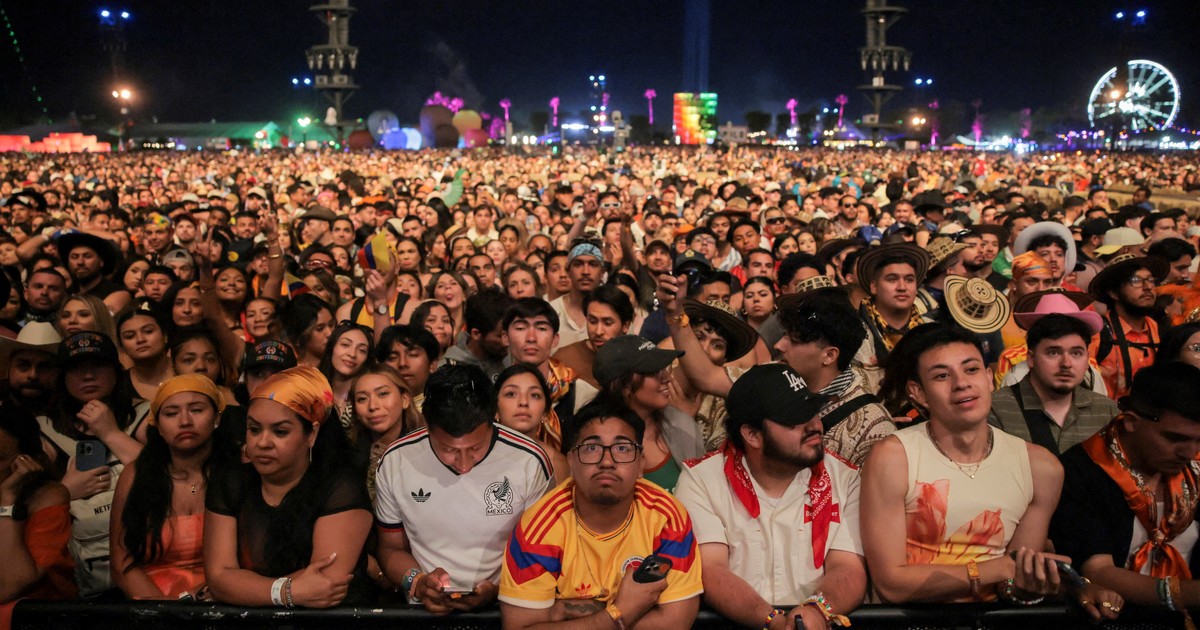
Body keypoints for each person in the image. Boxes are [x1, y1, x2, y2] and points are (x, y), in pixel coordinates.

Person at [860, 324, 1069, 604]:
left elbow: (1011, 584)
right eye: (942, 375)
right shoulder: (893, 457)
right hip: (910, 621)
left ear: (989, 378)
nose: (962, 383)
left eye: (971, 370)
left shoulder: (1040, 468)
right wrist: (996, 569)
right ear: (918, 393)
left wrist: (1033, 583)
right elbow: (891, 584)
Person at [676, 363, 866, 630]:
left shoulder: (845, 478)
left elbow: (849, 569)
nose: (814, 425)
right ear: (752, 435)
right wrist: (772, 621)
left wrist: (817, 611)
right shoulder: (702, 480)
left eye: (813, 411)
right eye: (794, 418)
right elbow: (711, 571)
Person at [498, 398, 702, 630]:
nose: (607, 462)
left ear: (641, 464)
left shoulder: (667, 518)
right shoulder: (538, 526)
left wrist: (561, 611)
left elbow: (675, 622)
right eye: (591, 448)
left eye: (622, 448)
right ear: (571, 462)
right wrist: (620, 612)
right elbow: (519, 627)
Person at [375, 364, 551, 614]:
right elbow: (390, 548)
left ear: (492, 420)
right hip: (423, 612)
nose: (464, 464)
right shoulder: (397, 461)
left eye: (476, 448)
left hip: (509, 611)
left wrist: (498, 590)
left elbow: (544, 554)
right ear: (428, 427)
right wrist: (418, 582)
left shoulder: (529, 461)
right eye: (449, 450)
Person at [204, 365, 374, 608]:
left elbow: (323, 585)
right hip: (245, 622)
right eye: (254, 429)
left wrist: (243, 588)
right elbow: (219, 579)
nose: (263, 442)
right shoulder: (231, 481)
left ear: (311, 434)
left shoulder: (340, 489)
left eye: (280, 431)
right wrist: (285, 592)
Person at [1049, 361, 1200, 625]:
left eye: (1199, 440)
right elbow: (1099, 572)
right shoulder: (1080, 471)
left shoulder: (1194, 472)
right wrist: (1185, 594)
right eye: (1175, 438)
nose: (1189, 452)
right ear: (1131, 422)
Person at [42, 332, 150, 597]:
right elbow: (25, 511)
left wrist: (111, 433)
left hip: (147, 563)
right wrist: (65, 491)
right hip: (79, 575)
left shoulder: (147, 415)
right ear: (62, 377)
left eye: (98, 366)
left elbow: (171, 477)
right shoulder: (44, 430)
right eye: (77, 368)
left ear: (116, 371)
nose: (88, 376)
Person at [110, 374, 235, 600]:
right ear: (157, 425)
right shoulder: (136, 475)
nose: (185, 421)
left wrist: (209, 596)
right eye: (171, 413)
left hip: (223, 599)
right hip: (151, 604)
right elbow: (122, 564)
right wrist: (164, 610)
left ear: (217, 418)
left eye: (196, 410)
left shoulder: (239, 471)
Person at [989, 313, 1118, 455]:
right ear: (1031, 358)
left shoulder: (1106, 411)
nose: (1066, 363)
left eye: (1076, 353)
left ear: (1087, 359)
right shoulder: (997, 409)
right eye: (1053, 353)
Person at [593, 335, 703, 491]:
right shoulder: (592, 439)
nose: (667, 378)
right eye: (653, 371)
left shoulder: (682, 425)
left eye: (665, 368)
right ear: (624, 385)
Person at [0, 401, 74, 627]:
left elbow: (11, 585)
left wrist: (7, 501)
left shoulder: (48, 496)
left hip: (35, 616)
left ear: (25, 461)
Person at [853, 243, 932, 392]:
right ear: (874, 287)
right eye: (892, 279)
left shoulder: (932, 330)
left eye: (909, 280)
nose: (902, 287)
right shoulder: (853, 334)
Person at [1090, 254, 1169, 400]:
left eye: (1151, 280)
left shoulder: (1162, 331)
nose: (1148, 287)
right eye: (1136, 281)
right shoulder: (1098, 332)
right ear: (1113, 293)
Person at [494, 364, 571, 485]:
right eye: (511, 394)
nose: (523, 402)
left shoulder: (556, 464)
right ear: (495, 409)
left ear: (545, 412)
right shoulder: (474, 453)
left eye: (534, 395)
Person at [552, 286, 634, 389]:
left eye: (607, 323)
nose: (598, 331)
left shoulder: (636, 360)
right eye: (592, 321)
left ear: (626, 325)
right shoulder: (564, 361)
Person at [440, 288, 512, 381]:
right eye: (501, 336)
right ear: (476, 334)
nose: (508, 342)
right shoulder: (448, 370)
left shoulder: (511, 357)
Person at [550, 239, 605, 349]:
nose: (585, 272)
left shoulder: (614, 314)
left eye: (593, 264)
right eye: (578, 264)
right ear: (568, 271)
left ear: (602, 273)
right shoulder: (550, 311)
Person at [374, 325, 438, 413]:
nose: (402, 363)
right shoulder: (371, 407)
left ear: (432, 364)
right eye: (392, 357)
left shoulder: (449, 407)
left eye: (413, 354)